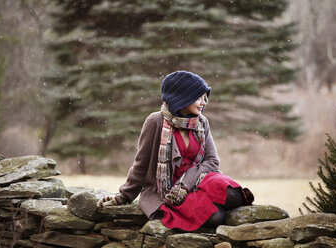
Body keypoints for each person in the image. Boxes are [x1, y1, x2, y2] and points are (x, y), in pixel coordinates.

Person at [97, 70, 254, 231]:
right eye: (198, 98)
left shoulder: (201, 123)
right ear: (182, 98)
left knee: (234, 196)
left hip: (197, 181)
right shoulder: (155, 121)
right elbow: (141, 164)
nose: (203, 102)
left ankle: (207, 202)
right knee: (216, 216)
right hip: (168, 192)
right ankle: (204, 206)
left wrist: (185, 184)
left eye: (204, 97)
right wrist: (125, 196)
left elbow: (212, 161)